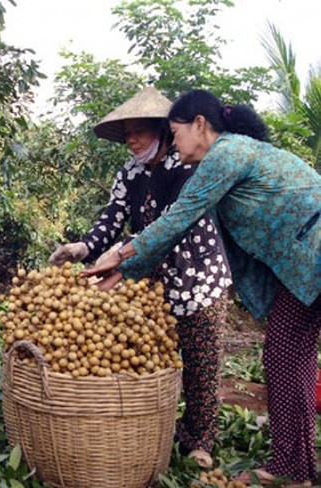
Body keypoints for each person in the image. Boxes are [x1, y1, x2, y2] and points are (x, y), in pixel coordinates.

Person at [83, 88, 321, 487]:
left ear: (198, 125)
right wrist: (128, 267)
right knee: (293, 358)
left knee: (282, 355)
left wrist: (121, 256)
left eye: (175, 133)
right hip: (307, 258)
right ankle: (299, 466)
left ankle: (290, 466)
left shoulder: (224, 154)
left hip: (312, 253)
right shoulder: (235, 152)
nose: (175, 143)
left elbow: (181, 216)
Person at [49, 86, 232, 469]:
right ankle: (157, 429)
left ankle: (201, 439)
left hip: (198, 278)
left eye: (140, 132)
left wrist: (119, 255)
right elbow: (113, 216)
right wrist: (85, 246)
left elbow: (169, 227)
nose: (131, 141)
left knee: (201, 362)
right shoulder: (130, 173)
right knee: (158, 359)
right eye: (127, 133)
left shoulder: (188, 167)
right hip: (153, 280)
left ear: (163, 131)